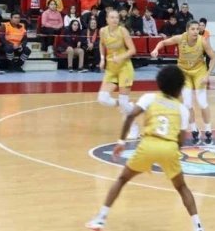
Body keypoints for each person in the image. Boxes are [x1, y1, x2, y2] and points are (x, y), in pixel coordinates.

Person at [85, 66, 205, 231]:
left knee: (122, 179)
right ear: (179, 89)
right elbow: (181, 140)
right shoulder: (182, 109)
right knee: (182, 187)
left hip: (148, 145)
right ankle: (198, 226)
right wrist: (170, 153)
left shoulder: (149, 98)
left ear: (159, 83)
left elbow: (130, 115)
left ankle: (100, 219)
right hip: (169, 148)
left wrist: (121, 141)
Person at [151, 20, 215, 146]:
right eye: (193, 29)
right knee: (187, 103)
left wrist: (207, 75)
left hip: (199, 71)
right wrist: (156, 49)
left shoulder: (203, 41)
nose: (195, 31)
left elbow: (214, 58)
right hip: (184, 72)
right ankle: (194, 131)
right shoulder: (180, 38)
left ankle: (208, 131)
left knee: (202, 102)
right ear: (187, 30)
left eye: (197, 29)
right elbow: (163, 42)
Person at [96, 10, 140, 140]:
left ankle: (134, 129)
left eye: (116, 17)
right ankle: (126, 106)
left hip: (124, 68)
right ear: (107, 19)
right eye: (112, 17)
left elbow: (133, 50)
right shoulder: (103, 31)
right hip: (111, 68)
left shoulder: (123, 31)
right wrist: (102, 58)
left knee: (123, 101)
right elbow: (101, 44)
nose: (115, 20)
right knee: (102, 98)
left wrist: (121, 57)